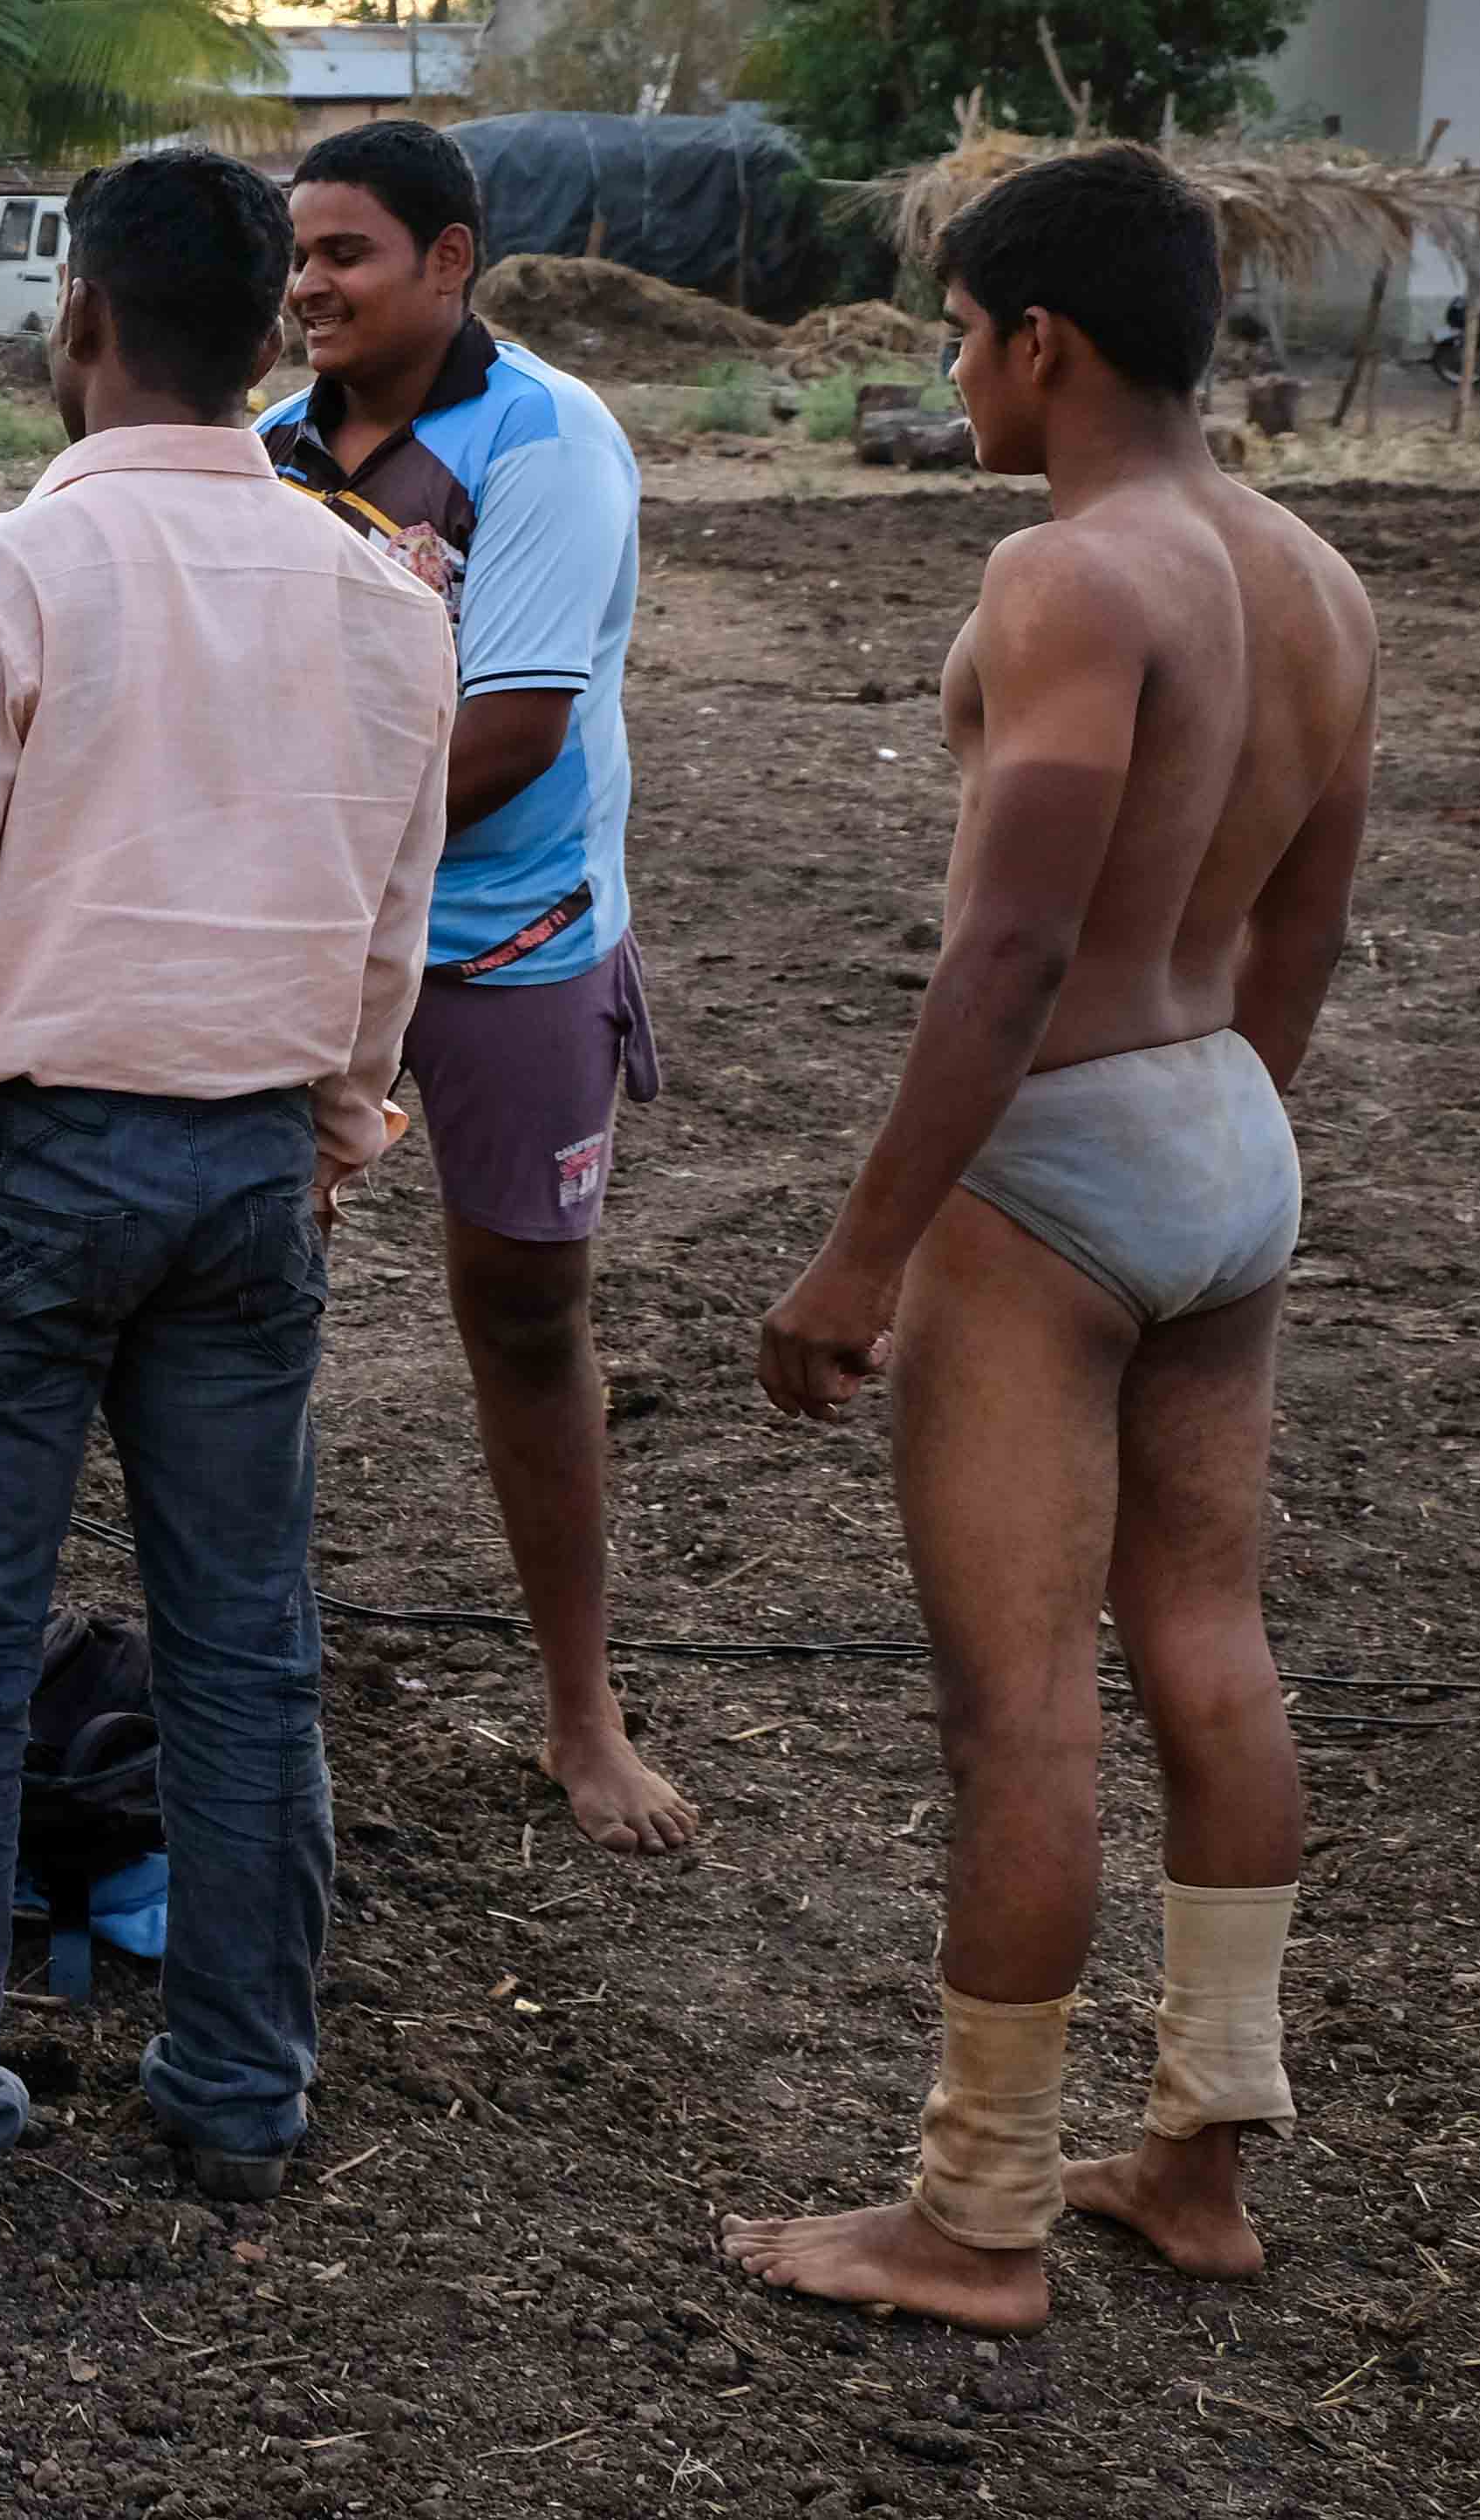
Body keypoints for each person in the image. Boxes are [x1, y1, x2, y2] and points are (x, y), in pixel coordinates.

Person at [0, 148, 454, 2232]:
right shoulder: (380, 589)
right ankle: (237, 2089)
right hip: (246, 1172)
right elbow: (382, 932)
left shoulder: (8, 577)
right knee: (246, 1649)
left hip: (25, 1168)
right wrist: (328, 1137)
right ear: (263, 340)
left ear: (74, 331)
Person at [725, 146, 1375, 2333]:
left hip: (1062, 1154)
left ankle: (973, 2208)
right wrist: (1224, 1141)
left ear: (1039, 343)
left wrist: (857, 1253)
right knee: (1205, 1639)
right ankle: (1195, 2150)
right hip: (1220, 1129)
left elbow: (1002, 947)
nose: (948, 372)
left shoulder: (1065, 576)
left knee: (1013, 1705)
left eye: (953, 334)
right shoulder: (1311, 579)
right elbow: (1302, 918)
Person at [260, 118, 687, 1852]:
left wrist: (288, 859)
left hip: (500, 933)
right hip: (300, 931)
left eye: (344, 251)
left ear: (447, 261)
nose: (305, 282)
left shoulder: (543, 437)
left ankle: (577, 1709)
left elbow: (509, 730)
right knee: (241, 1284)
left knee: (520, 1306)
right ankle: (247, 1666)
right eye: (292, 253)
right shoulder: (269, 446)